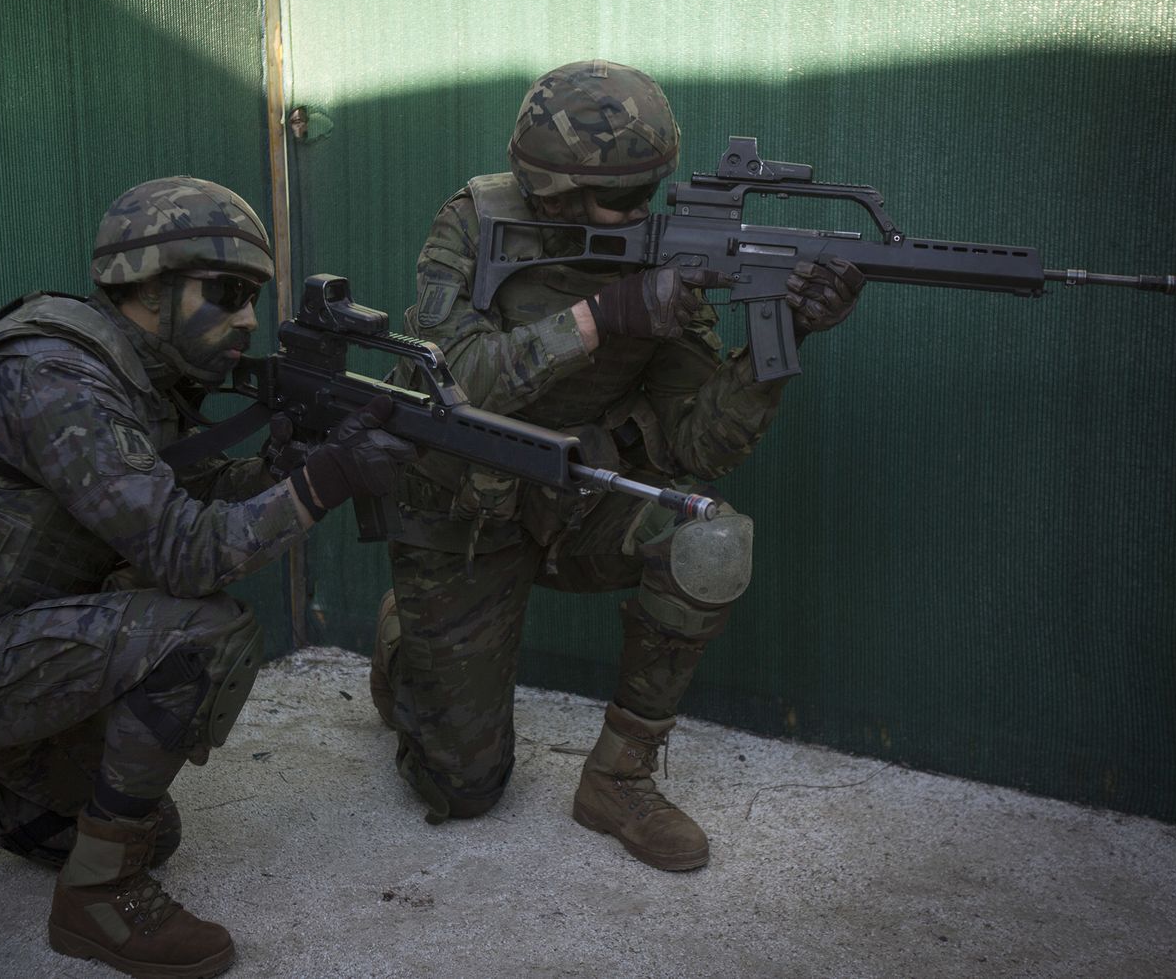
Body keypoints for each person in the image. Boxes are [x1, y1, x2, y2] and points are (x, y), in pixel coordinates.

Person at [0, 176, 414, 978]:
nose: (249, 318)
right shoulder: (57, 378)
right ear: (148, 287)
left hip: (1, 648)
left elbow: (163, 498)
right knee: (202, 635)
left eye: (252, 296)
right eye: (229, 293)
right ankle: (98, 904)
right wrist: (326, 483)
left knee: (144, 824)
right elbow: (186, 553)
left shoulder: (133, 371)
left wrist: (281, 471)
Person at [370, 60, 864, 870]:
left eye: (652, 191)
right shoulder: (474, 221)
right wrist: (600, 318)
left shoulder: (668, 261)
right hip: (461, 512)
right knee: (460, 790)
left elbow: (696, 445)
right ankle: (405, 644)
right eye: (625, 200)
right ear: (553, 193)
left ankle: (619, 777)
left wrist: (786, 342)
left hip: (578, 499)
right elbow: (447, 383)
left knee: (708, 540)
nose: (645, 212)